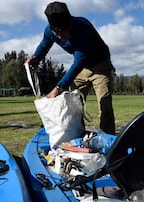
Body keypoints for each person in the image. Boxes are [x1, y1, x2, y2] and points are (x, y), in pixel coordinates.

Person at [25, 1, 116, 135]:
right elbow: (45, 44)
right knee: (73, 105)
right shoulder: (50, 31)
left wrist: (58, 87)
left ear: (71, 24)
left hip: (100, 66)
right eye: (58, 33)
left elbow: (79, 61)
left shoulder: (83, 28)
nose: (62, 37)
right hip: (82, 68)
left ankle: (108, 141)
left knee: (105, 104)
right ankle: (77, 136)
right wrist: (36, 57)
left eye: (65, 31)